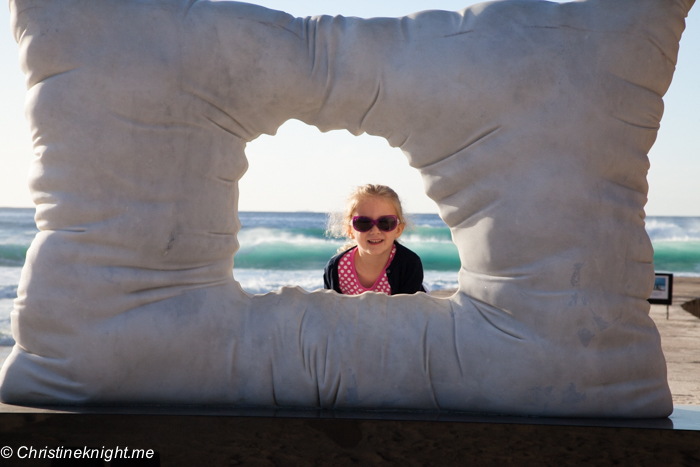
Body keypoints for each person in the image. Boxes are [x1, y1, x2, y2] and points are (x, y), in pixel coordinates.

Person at [324, 184, 425, 295]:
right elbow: (331, 310)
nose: (375, 230)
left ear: (398, 229)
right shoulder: (336, 269)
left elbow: (408, 310)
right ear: (349, 230)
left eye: (385, 222)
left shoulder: (409, 264)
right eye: (363, 223)